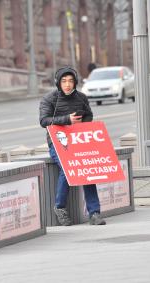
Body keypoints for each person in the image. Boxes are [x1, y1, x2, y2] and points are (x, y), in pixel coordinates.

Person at [39, 66, 106, 226]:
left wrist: (83, 124)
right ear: (58, 83)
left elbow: (88, 114)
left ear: (75, 82)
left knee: (87, 167)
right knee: (67, 167)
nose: (67, 84)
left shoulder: (81, 97)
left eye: (70, 81)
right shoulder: (49, 99)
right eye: (64, 81)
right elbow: (44, 121)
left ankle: (94, 213)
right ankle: (60, 207)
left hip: (79, 140)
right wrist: (66, 120)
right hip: (58, 141)